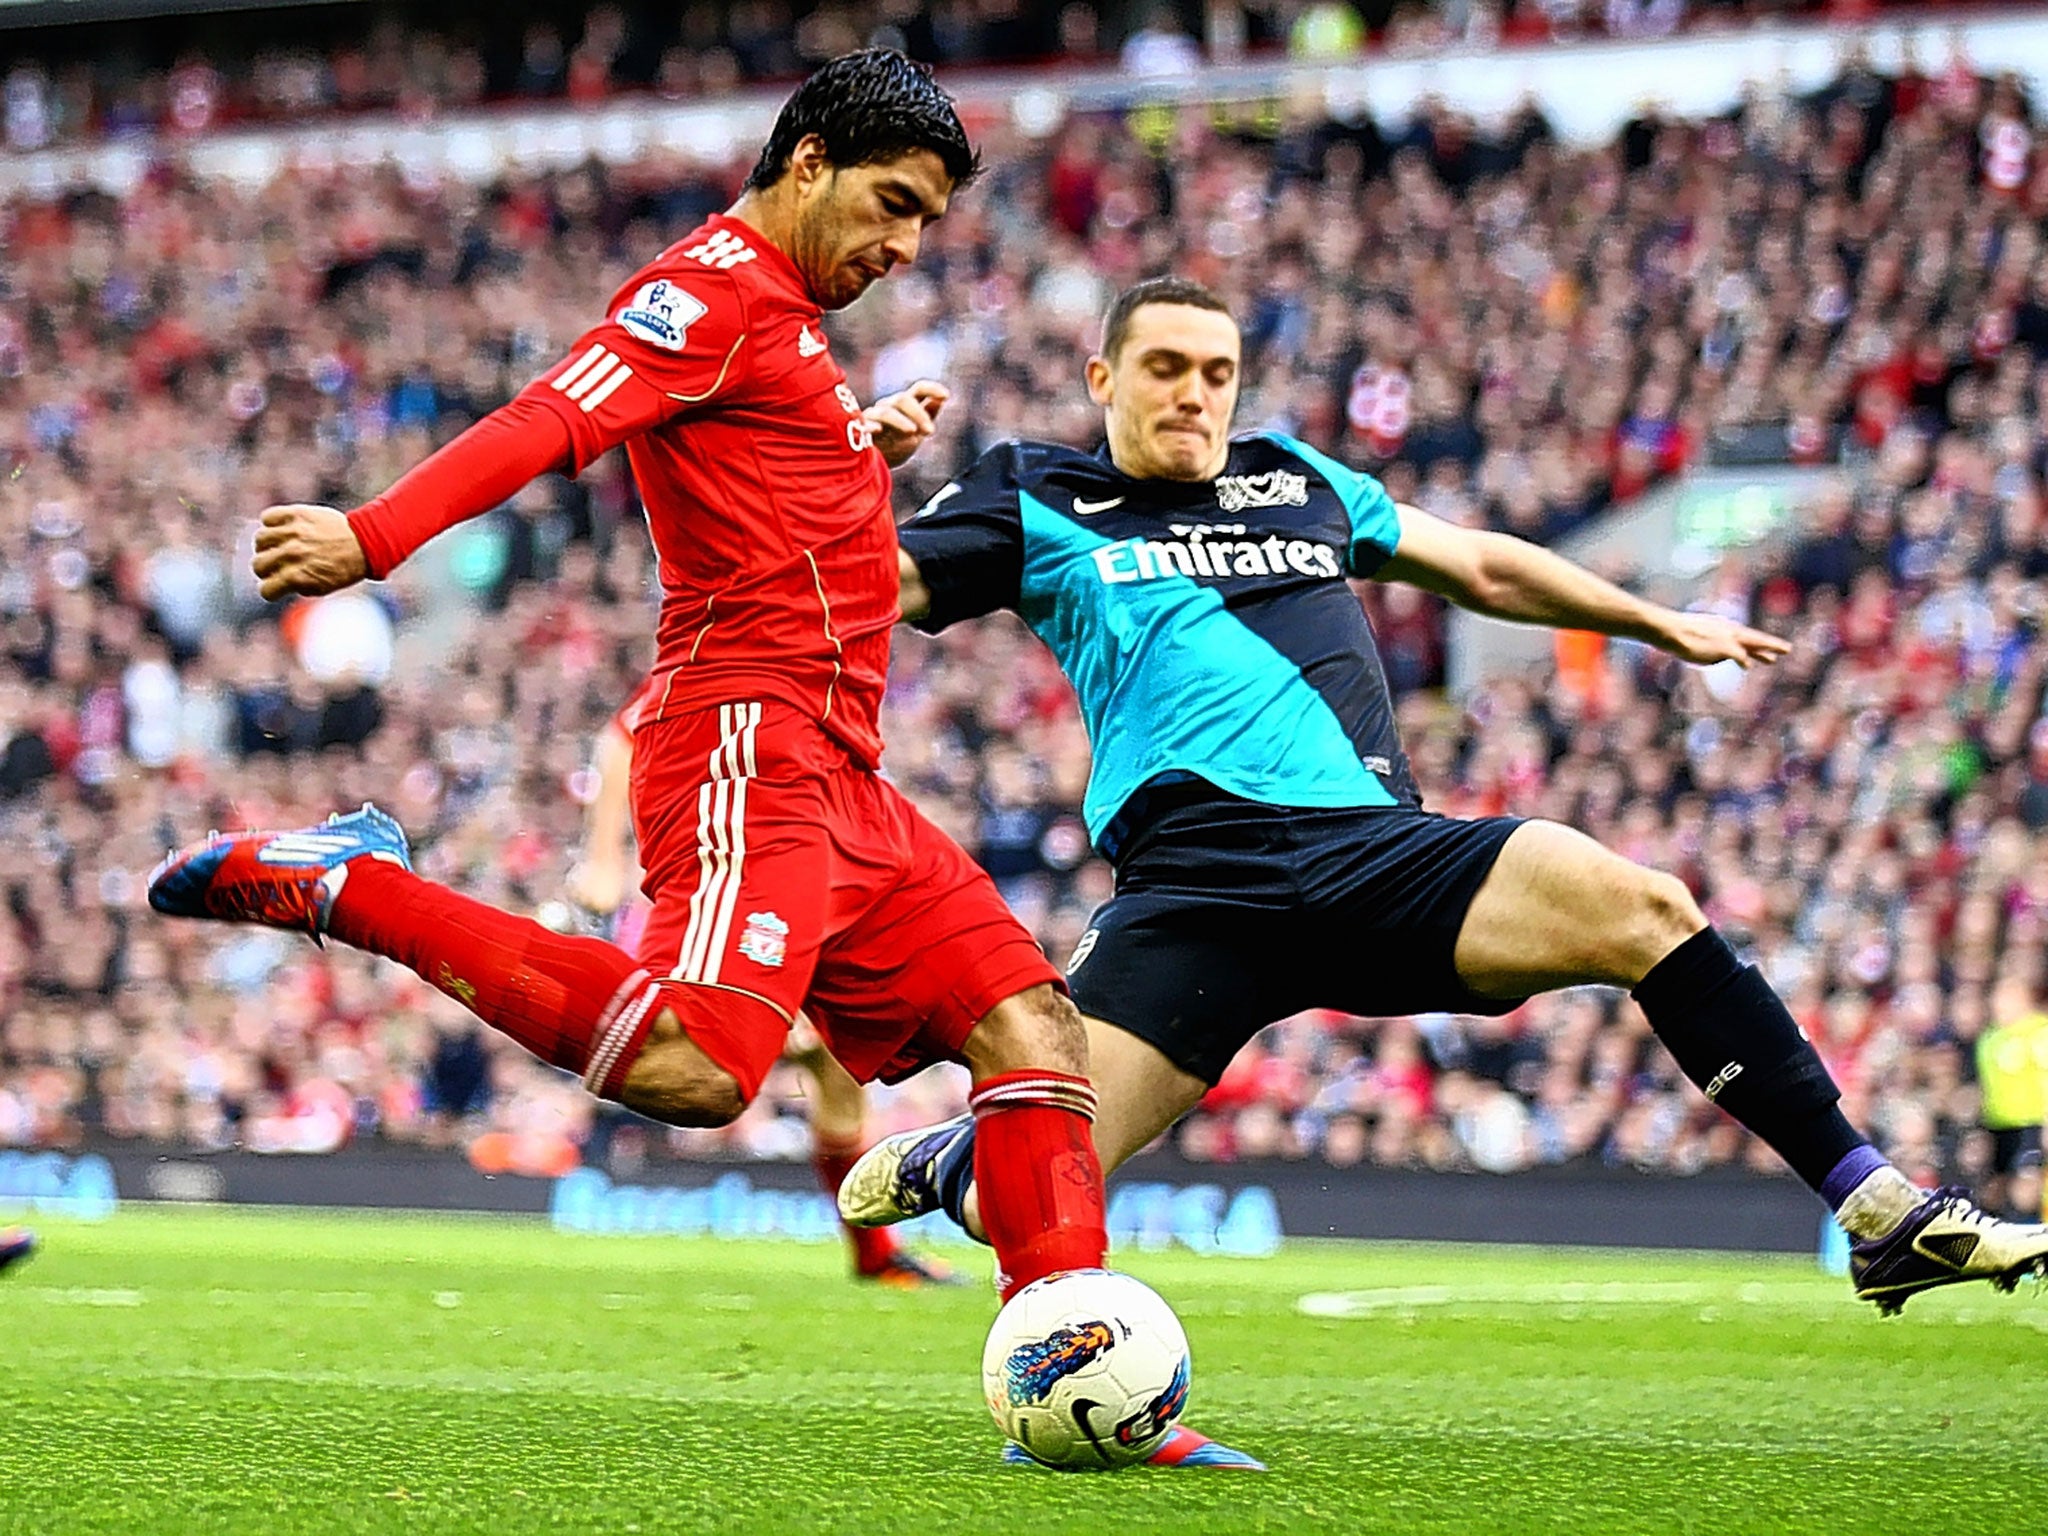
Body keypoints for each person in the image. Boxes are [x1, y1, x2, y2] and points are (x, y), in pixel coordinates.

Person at [144, 52, 1158, 1451]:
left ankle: (1080, 1373)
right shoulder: (710, 290)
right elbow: (554, 415)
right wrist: (374, 538)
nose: (906, 247)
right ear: (807, 159)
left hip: (839, 767)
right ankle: (348, 887)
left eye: (927, 223)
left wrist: (858, 449)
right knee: (699, 1070)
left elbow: (763, 492)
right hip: (745, 730)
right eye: (892, 204)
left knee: (1032, 1026)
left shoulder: (787, 323)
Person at [840, 276, 2048, 1320]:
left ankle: (1876, 1211)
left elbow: (1473, 561)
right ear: (1103, 377)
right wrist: (853, 471)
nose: (1193, 394)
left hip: (1378, 858)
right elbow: (865, 589)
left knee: (1644, 907)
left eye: (1216, 372)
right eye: (1163, 369)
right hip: (1197, 891)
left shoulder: (1291, 481)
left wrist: (1648, 620)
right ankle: (964, 1159)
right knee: (1026, 1205)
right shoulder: (1033, 494)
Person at [556, 677, 957, 1288]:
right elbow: (622, 736)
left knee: (838, 1071)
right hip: (729, 881)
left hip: (811, 877)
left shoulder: (837, 667)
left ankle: (875, 1252)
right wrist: (604, 856)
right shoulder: (745, 650)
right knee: (698, 1052)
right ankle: (588, 1152)